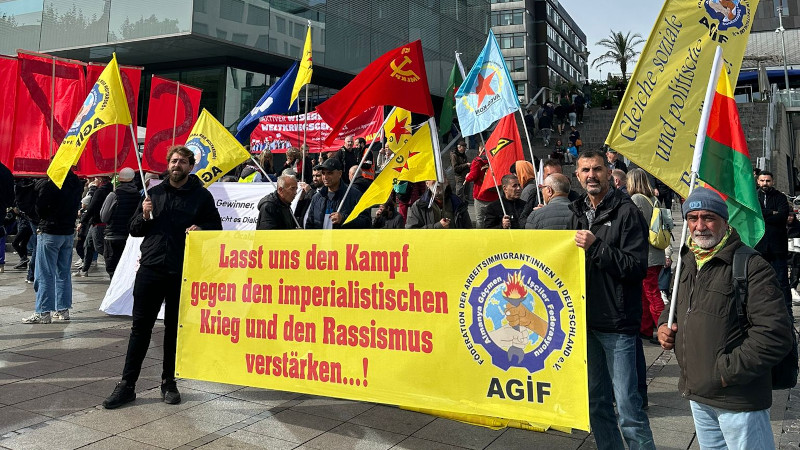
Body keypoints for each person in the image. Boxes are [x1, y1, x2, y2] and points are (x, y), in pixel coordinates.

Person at [658, 187, 793, 450]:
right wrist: (664, 324)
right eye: (692, 218)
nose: (699, 226)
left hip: (737, 398)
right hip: (698, 394)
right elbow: (676, 303)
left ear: (724, 220)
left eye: (708, 217)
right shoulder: (688, 259)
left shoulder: (751, 266)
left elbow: (775, 335)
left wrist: (725, 372)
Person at [102, 145, 222, 409]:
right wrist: (144, 215)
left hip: (183, 271)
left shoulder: (201, 196)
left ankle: (169, 382)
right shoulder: (152, 194)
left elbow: (216, 228)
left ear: (191, 166)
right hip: (151, 269)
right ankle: (127, 385)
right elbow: (134, 230)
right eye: (174, 161)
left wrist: (202, 229)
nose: (177, 165)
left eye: (183, 162)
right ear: (168, 165)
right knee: (140, 329)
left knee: (174, 329)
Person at [569, 150, 655, 449]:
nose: (591, 175)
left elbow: (636, 267)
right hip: (586, 320)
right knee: (596, 404)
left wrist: (596, 247)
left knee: (628, 407)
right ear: (577, 176)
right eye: (585, 170)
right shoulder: (576, 211)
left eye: (597, 169)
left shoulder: (627, 212)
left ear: (609, 173)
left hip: (617, 322)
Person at [21, 168, 83, 324]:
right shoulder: (76, 184)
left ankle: (43, 311)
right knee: (64, 272)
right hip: (67, 233)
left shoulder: (52, 185)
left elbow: (40, 209)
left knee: (45, 273)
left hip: (50, 231)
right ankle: (63, 309)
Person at [754, 171, 792, 318]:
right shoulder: (754, 197)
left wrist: (763, 215)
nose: (765, 183)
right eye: (762, 181)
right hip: (759, 247)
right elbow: (754, 215)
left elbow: (782, 216)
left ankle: (787, 313)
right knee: (759, 281)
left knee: (782, 281)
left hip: (777, 247)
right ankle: (762, 312)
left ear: (773, 182)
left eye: (768, 181)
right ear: (758, 182)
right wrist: (772, 212)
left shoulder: (780, 197)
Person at [305, 158, 369, 229]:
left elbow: (366, 221)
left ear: (340, 174)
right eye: (323, 173)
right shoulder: (317, 198)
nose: (325, 177)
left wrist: (343, 219)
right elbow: (309, 224)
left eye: (329, 173)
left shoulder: (354, 195)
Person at [100, 168, 141, 279]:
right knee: (127, 271)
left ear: (119, 179)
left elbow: (104, 217)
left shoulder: (114, 195)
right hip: (130, 237)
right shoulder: (138, 196)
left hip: (113, 235)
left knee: (113, 270)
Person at [73, 176, 111, 277]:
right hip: (97, 222)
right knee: (88, 245)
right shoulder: (109, 190)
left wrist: (82, 222)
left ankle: (114, 265)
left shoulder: (100, 191)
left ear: (100, 180)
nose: (94, 181)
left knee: (99, 247)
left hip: (97, 222)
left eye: (96, 179)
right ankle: (84, 269)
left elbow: (91, 208)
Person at [406, 181, 472, 229]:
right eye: (433, 178)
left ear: (447, 182)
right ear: (427, 183)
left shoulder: (458, 204)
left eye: (441, 177)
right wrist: (437, 226)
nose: (437, 181)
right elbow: (412, 232)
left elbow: (468, 230)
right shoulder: (418, 205)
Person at [464, 144, 499, 228]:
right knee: (493, 219)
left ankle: (480, 235)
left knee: (480, 220)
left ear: (480, 149)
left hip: (480, 194)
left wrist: (467, 177)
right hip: (494, 194)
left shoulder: (477, 161)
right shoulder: (497, 159)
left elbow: (472, 176)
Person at [788, 213, 800, 303]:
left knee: (797, 264)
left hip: (795, 252)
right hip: (780, 251)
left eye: (792, 215)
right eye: (788, 215)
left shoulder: (797, 226)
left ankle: (792, 288)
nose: (790, 218)